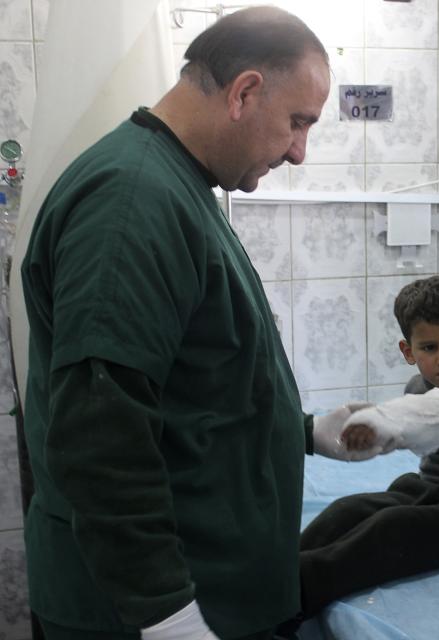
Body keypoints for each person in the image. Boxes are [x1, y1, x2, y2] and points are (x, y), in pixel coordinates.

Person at [18, 7, 374, 640]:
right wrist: (168, 618)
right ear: (244, 92)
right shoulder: (131, 204)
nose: (299, 151)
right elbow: (102, 437)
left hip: (215, 593)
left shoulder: (177, 188)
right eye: (298, 123)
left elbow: (192, 387)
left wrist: (304, 432)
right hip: (142, 614)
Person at [295, 275, 439, 619]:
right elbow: (417, 419)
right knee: (348, 510)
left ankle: (294, 591)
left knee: (390, 527)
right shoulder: (417, 386)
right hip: (434, 491)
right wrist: (368, 423)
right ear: (408, 351)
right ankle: (281, 563)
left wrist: (384, 422)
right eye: (430, 348)